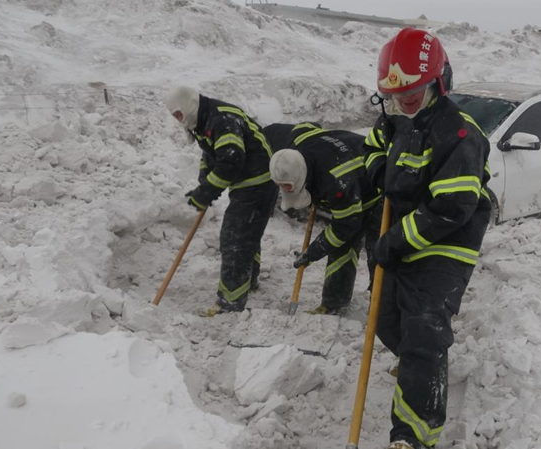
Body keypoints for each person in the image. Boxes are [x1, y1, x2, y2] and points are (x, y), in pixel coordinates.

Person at [363, 29, 492, 449]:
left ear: (438, 82)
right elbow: (373, 146)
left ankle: (413, 435)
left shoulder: (459, 133)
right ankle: (417, 368)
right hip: (402, 233)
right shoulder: (395, 118)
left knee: (424, 328)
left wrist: (394, 242)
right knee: (385, 318)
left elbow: (450, 209)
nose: (405, 99)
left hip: (446, 241)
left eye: (413, 90)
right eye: (396, 93)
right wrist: (377, 168)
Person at [165, 86, 278, 317]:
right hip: (250, 181)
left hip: (258, 181)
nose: (179, 120)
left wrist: (206, 192)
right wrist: (204, 184)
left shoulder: (222, 119)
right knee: (246, 233)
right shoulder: (203, 119)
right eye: (175, 116)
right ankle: (247, 280)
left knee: (235, 237)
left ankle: (230, 301)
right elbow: (210, 154)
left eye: (179, 114)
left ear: (188, 104)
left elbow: (231, 161)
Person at [265, 122, 381, 315]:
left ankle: (382, 311)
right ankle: (334, 304)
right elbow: (308, 126)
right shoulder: (296, 145)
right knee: (341, 248)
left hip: (379, 191)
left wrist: (312, 252)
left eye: (287, 186)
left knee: (379, 253)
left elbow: (344, 228)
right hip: (348, 177)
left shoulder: (337, 183)